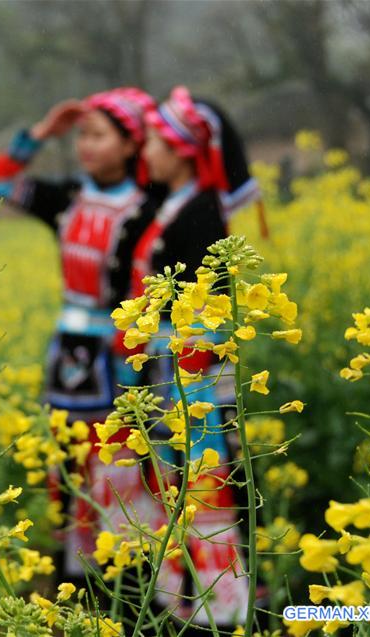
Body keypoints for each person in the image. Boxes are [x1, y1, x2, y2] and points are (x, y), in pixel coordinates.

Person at [0, 88, 163, 584]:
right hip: (69, 355)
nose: (85, 146)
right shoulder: (67, 198)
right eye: (81, 136)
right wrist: (40, 133)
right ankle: (76, 577)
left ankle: (129, 575)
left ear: (132, 144)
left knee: (122, 461)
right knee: (68, 463)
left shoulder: (152, 206)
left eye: (99, 136)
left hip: (125, 353)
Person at [127, 85, 266, 630]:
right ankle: (187, 599)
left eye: (156, 143)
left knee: (206, 482)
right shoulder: (176, 205)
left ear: (182, 150)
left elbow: (208, 309)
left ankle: (222, 609)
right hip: (173, 372)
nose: (147, 154)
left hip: (196, 378)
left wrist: (180, 370)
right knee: (179, 484)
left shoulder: (202, 212)